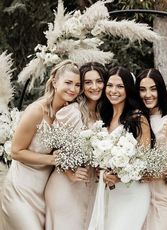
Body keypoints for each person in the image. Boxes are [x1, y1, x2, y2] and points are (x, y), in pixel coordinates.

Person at [0, 60, 81, 230]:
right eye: (68, 82)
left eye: (77, 84)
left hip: (42, 193)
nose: (73, 89)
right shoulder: (36, 110)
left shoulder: (67, 113)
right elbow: (15, 151)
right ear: (54, 82)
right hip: (20, 189)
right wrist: (54, 159)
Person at [45, 62, 107, 230]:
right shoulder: (72, 112)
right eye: (88, 82)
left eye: (99, 81)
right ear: (82, 87)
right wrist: (70, 173)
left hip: (90, 187)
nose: (94, 87)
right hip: (66, 187)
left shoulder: (105, 114)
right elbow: (54, 147)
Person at [100, 66, 152, 230]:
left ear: (128, 90)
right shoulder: (105, 118)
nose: (113, 90)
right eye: (110, 85)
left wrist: (120, 176)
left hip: (132, 193)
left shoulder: (138, 118)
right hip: (110, 193)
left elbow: (145, 162)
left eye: (120, 86)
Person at [135, 68, 167, 230]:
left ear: (161, 91)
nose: (148, 95)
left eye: (153, 89)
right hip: (135, 194)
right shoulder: (134, 119)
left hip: (161, 196)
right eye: (142, 90)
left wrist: (158, 171)